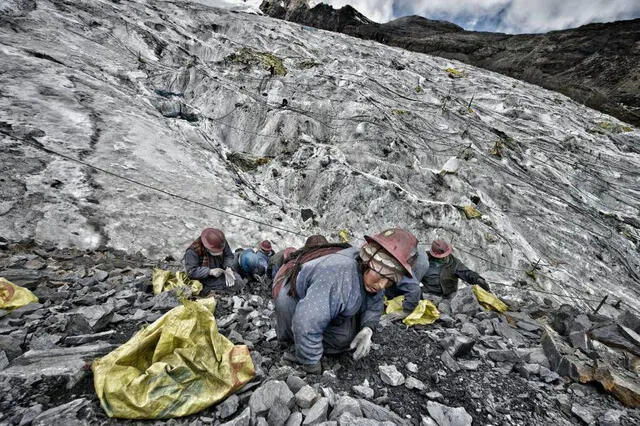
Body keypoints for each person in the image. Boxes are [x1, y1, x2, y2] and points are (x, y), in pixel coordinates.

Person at [274, 228, 418, 374]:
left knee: (347, 336)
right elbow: (305, 322)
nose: (382, 285)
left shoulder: (371, 273)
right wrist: (311, 364)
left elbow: (374, 304)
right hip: (295, 307)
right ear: (368, 260)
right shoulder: (338, 276)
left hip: (321, 302)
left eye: (389, 281)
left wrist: (368, 327)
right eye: (380, 276)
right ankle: (294, 351)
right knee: (340, 339)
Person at [422, 239, 490, 297]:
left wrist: (477, 278)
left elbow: (466, 273)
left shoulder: (454, 263)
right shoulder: (423, 259)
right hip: (428, 294)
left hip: (448, 296)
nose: (443, 258)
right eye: (440, 257)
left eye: (444, 255)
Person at [183, 228, 241, 295]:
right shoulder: (192, 251)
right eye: (216, 251)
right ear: (207, 248)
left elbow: (228, 256)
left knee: (237, 281)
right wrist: (210, 272)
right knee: (236, 284)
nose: (221, 252)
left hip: (221, 268)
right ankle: (208, 289)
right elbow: (191, 272)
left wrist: (228, 267)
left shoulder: (220, 242)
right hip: (205, 276)